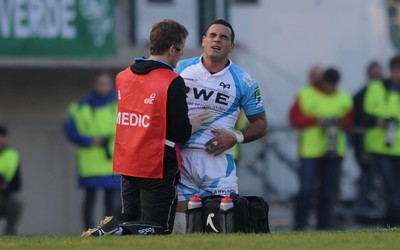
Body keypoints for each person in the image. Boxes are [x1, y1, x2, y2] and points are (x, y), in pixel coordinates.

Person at [82, 19, 192, 236]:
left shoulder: (123, 77)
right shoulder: (172, 81)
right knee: (158, 228)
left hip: (127, 162)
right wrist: (193, 125)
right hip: (156, 163)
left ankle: (114, 228)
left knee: (133, 227)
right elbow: (180, 133)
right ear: (172, 49)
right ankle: (113, 228)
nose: (180, 56)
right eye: (181, 50)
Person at [173, 19, 268, 233]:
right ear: (203, 40)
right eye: (213, 35)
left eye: (224, 37)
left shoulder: (245, 81)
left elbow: (261, 124)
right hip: (181, 157)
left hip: (217, 161)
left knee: (221, 225)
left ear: (231, 47)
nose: (217, 40)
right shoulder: (179, 69)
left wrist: (235, 137)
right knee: (180, 228)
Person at [289, 68, 353, 230]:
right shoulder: (305, 94)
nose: (330, 88)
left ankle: (323, 228)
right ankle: (300, 226)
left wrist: (338, 122)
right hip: (310, 152)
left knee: (328, 193)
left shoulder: (344, 98)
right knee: (306, 191)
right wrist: (315, 120)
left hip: (334, 153)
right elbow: (294, 119)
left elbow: (349, 122)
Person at [65, 72, 121, 230]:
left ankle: (107, 230)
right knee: (90, 199)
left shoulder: (119, 104)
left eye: (106, 83)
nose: (103, 87)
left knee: (111, 200)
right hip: (90, 162)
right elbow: (71, 132)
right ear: (95, 85)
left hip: (112, 161)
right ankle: (89, 231)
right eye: (100, 83)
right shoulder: (79, 107)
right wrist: (90, 141)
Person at [363, 55, 400, 227]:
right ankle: (391, 225)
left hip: (397, 148)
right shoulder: (376, 87)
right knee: (392, 192)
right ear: (392, 70)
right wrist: (380, 121)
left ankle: (389, 225)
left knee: (395, 193)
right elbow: (364, 113)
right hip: (381, 148)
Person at [352, 61, 384, 223]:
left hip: (387, 148)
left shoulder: (389, 93)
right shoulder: (360, 96)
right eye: (374, 75)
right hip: (367, 147)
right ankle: (361, 217)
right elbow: (356, 119)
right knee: (366, 182)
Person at [0, 125, 22, 235]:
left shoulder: (12, 155)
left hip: (4, 197)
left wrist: (5, 186)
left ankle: (9, 233)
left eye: (2, 136)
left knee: (16, 204)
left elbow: (16, 184)